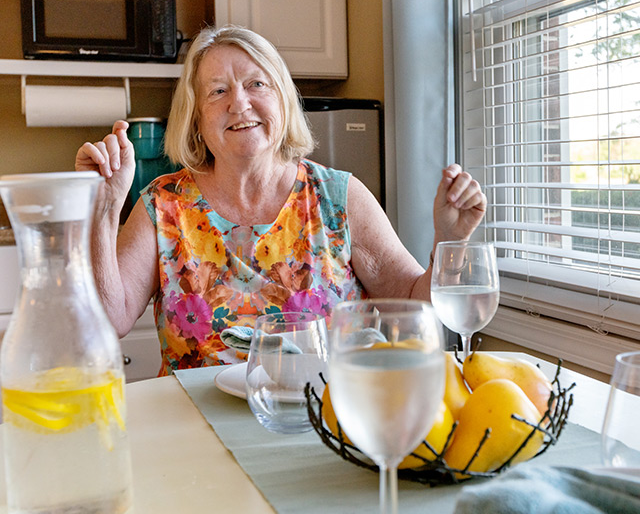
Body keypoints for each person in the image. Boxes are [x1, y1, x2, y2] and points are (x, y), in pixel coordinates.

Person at [76, 24, 486, 375]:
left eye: (257, 84)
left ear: (283, 101)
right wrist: (103, 205)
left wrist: (449, 240)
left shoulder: (338, 197)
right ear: (196, 118)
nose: (239, 103)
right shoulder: (163, 204)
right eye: (218, 91)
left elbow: (414, 308)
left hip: (321, 426)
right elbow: (110, 321)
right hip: (198, 430)